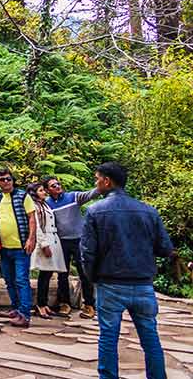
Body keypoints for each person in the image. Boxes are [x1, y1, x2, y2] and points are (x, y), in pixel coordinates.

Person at [81, 162, 174, 379]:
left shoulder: (95, 211)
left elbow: (87, 252)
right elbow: (165, 248)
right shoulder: (149, 211)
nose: (96, 183)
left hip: (110, 283)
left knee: (108, 338)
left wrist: (92, 277)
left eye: (97, 179)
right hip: (143, 284)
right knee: (150, 337)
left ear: (106, 181)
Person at [44, 175, 99, 318]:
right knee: (63, 273)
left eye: (58, 183)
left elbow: (91, 194)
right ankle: (64, 303)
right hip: (61, 241)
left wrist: (103, 183)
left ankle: (89, 305)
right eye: (53, 185)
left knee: (84, 272)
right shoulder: (47, 204)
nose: (57, 186)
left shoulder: (73, 197)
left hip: (79, 240)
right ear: (47, 190)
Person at [0, 168, 37, 328]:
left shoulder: (23, 196)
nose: (6, 182)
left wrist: (31, 239)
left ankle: (25, 315)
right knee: (9, 281)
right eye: (2, 179)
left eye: (8, 179)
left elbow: (32, 218)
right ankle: (16, 309)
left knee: (21, 280)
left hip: (21, 247)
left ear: (13, 180)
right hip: (4, 248)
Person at [28, 182, 67, 320]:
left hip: (53, 238)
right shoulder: (34, 206)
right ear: (34, 193)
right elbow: (37, 226)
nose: (44, 192)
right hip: (45, 240)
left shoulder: (45, 204)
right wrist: (44, 244)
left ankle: (44, 304)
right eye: (40, 190)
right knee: (44, 274)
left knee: (48, 273)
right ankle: (40, 304)